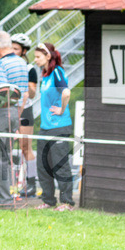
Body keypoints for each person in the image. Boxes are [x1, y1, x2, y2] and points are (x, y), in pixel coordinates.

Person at [0, 31, 30, 208]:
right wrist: (17, 114)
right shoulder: (22, 63)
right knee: (5, 156)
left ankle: (3, 200)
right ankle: (6, 197)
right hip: (14, 113)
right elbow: (24, 94)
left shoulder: (1, 64)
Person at [33, 42, 75, 209]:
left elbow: (66, 92)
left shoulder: (57, 71)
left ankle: (67, 202)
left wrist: (62, 109)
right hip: (45, 127)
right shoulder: (45, 75)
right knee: (43, 166)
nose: (35, 60)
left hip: (59, 126)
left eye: (38, 57)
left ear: (48, 56)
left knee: (60, 165)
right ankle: (48, 201)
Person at [11, 33, 39, 197]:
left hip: (26, 110)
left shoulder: (30, 69)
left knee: (25, 147)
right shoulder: (8, 66)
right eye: (11, 48)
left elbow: (33, 94)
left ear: (23, 51)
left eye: (16, 49)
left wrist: (26, 85)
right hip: (10, 109)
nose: (13, 51)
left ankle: (31, 183)